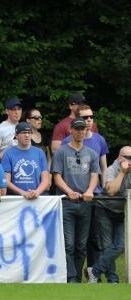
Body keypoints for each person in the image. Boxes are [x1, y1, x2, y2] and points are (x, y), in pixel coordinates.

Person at [52, 118, 100, 283]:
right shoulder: (61, 152)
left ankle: (77, 277)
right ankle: (70, 277)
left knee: (81, 245)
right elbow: (57, 177)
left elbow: (95, 176)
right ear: (71, 130)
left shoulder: (92, 154)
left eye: (83, 129)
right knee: (69, 244)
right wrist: (70, 192)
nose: (80, 132)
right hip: (67, 203)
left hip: (85, 203)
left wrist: (89, 191)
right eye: (77, 129)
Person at [87, 147, 131, 284]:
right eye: (127, 157)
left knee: (120, 246)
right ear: (120, 157)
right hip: (104, 209)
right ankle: (113, 280)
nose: (130, 161)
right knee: (107, 246)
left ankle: (94, 271)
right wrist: (123, 172)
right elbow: (111, 191)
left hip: (121, 212)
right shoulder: (111, 169)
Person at [61, 104, 108, 189]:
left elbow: (104, 168)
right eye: (85, 117)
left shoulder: (100, 139)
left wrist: (104, 189)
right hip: (72, 192)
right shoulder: (67, 141)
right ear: (77, 119)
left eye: (91, 116)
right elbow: (62, 171)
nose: (89, 120)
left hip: (95, 192)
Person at [1, 122, 49, 199]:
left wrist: (37, 192)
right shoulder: (8, 153)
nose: (27, 135)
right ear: (16, 135)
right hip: (16, 199)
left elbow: (46, 179)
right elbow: (6, 180)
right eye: (23, 133)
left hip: (37, 197)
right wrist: (22, 193)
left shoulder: (40, 152)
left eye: (29, 133)